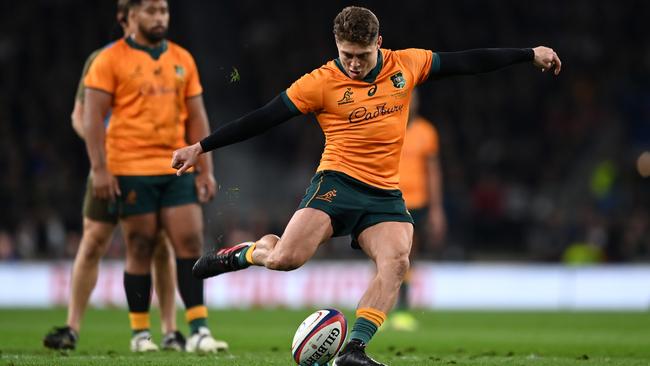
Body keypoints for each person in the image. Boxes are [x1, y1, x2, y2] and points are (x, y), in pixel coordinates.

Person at [172, 6, 561, 365]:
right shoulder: (320, 82)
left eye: (362, 54)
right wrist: (201, 147)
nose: (354, 64)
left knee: (396, 262)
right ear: (336, 47)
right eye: (346, 55)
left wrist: (528, 53)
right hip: (336, 183)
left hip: (383, 195)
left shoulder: (407, 63)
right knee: (284, 260)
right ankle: (240, 255)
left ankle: (354, 350)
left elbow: (468, 62)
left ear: (378, 42)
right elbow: (263, 118)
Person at [83, 0, 227, 353]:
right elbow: (92, 117)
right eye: (151, 11)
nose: (160, 17)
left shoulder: (182, 58)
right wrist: (101, 170)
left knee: (190, 242)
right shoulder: (109, 60)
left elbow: (197, 116)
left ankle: (199, 331)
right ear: (131, 15)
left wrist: (206, 167)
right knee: (140, 246)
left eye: (163, 10)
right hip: (130, 167)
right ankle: (140, 335)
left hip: (175, 165)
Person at [43, 0, 183, 352]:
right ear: (125, 19)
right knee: (92, 243)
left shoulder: (168, 60)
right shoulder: (102, 60)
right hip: (109, 169)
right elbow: (79, 116)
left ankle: (169, 330)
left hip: (150, 169)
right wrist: (104, 158)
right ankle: (72, 327)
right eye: (137, 15)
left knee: (160, 245)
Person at [389, 88, 447, 332]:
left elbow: (433, 172)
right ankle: (380, 310)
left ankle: (401, 310)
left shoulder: (427, 132)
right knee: (382, 256)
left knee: (408, 257)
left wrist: (436, 210)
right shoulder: (387, 127)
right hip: (389, 200)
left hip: (417, 203)